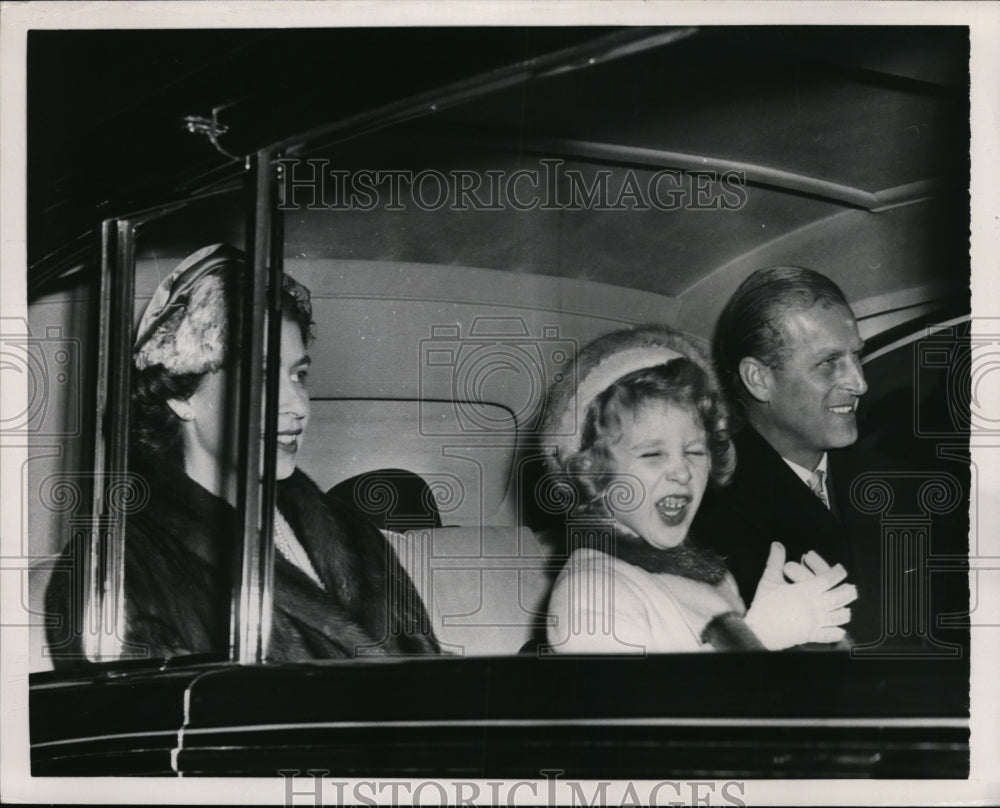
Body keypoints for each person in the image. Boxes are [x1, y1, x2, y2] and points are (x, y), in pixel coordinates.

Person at [46, 244, 439, 663]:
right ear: (182, 394)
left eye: (299, 375)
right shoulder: (113, 567)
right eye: (264, 377)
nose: (298, 405)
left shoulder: (355, 533)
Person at [541, 326, 857, 653]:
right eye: (652, 453)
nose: (682, 471)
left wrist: (803, 642)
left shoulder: (714, 578)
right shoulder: (589, 594)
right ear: (592, 470)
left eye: (694, 451)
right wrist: (760, 636)